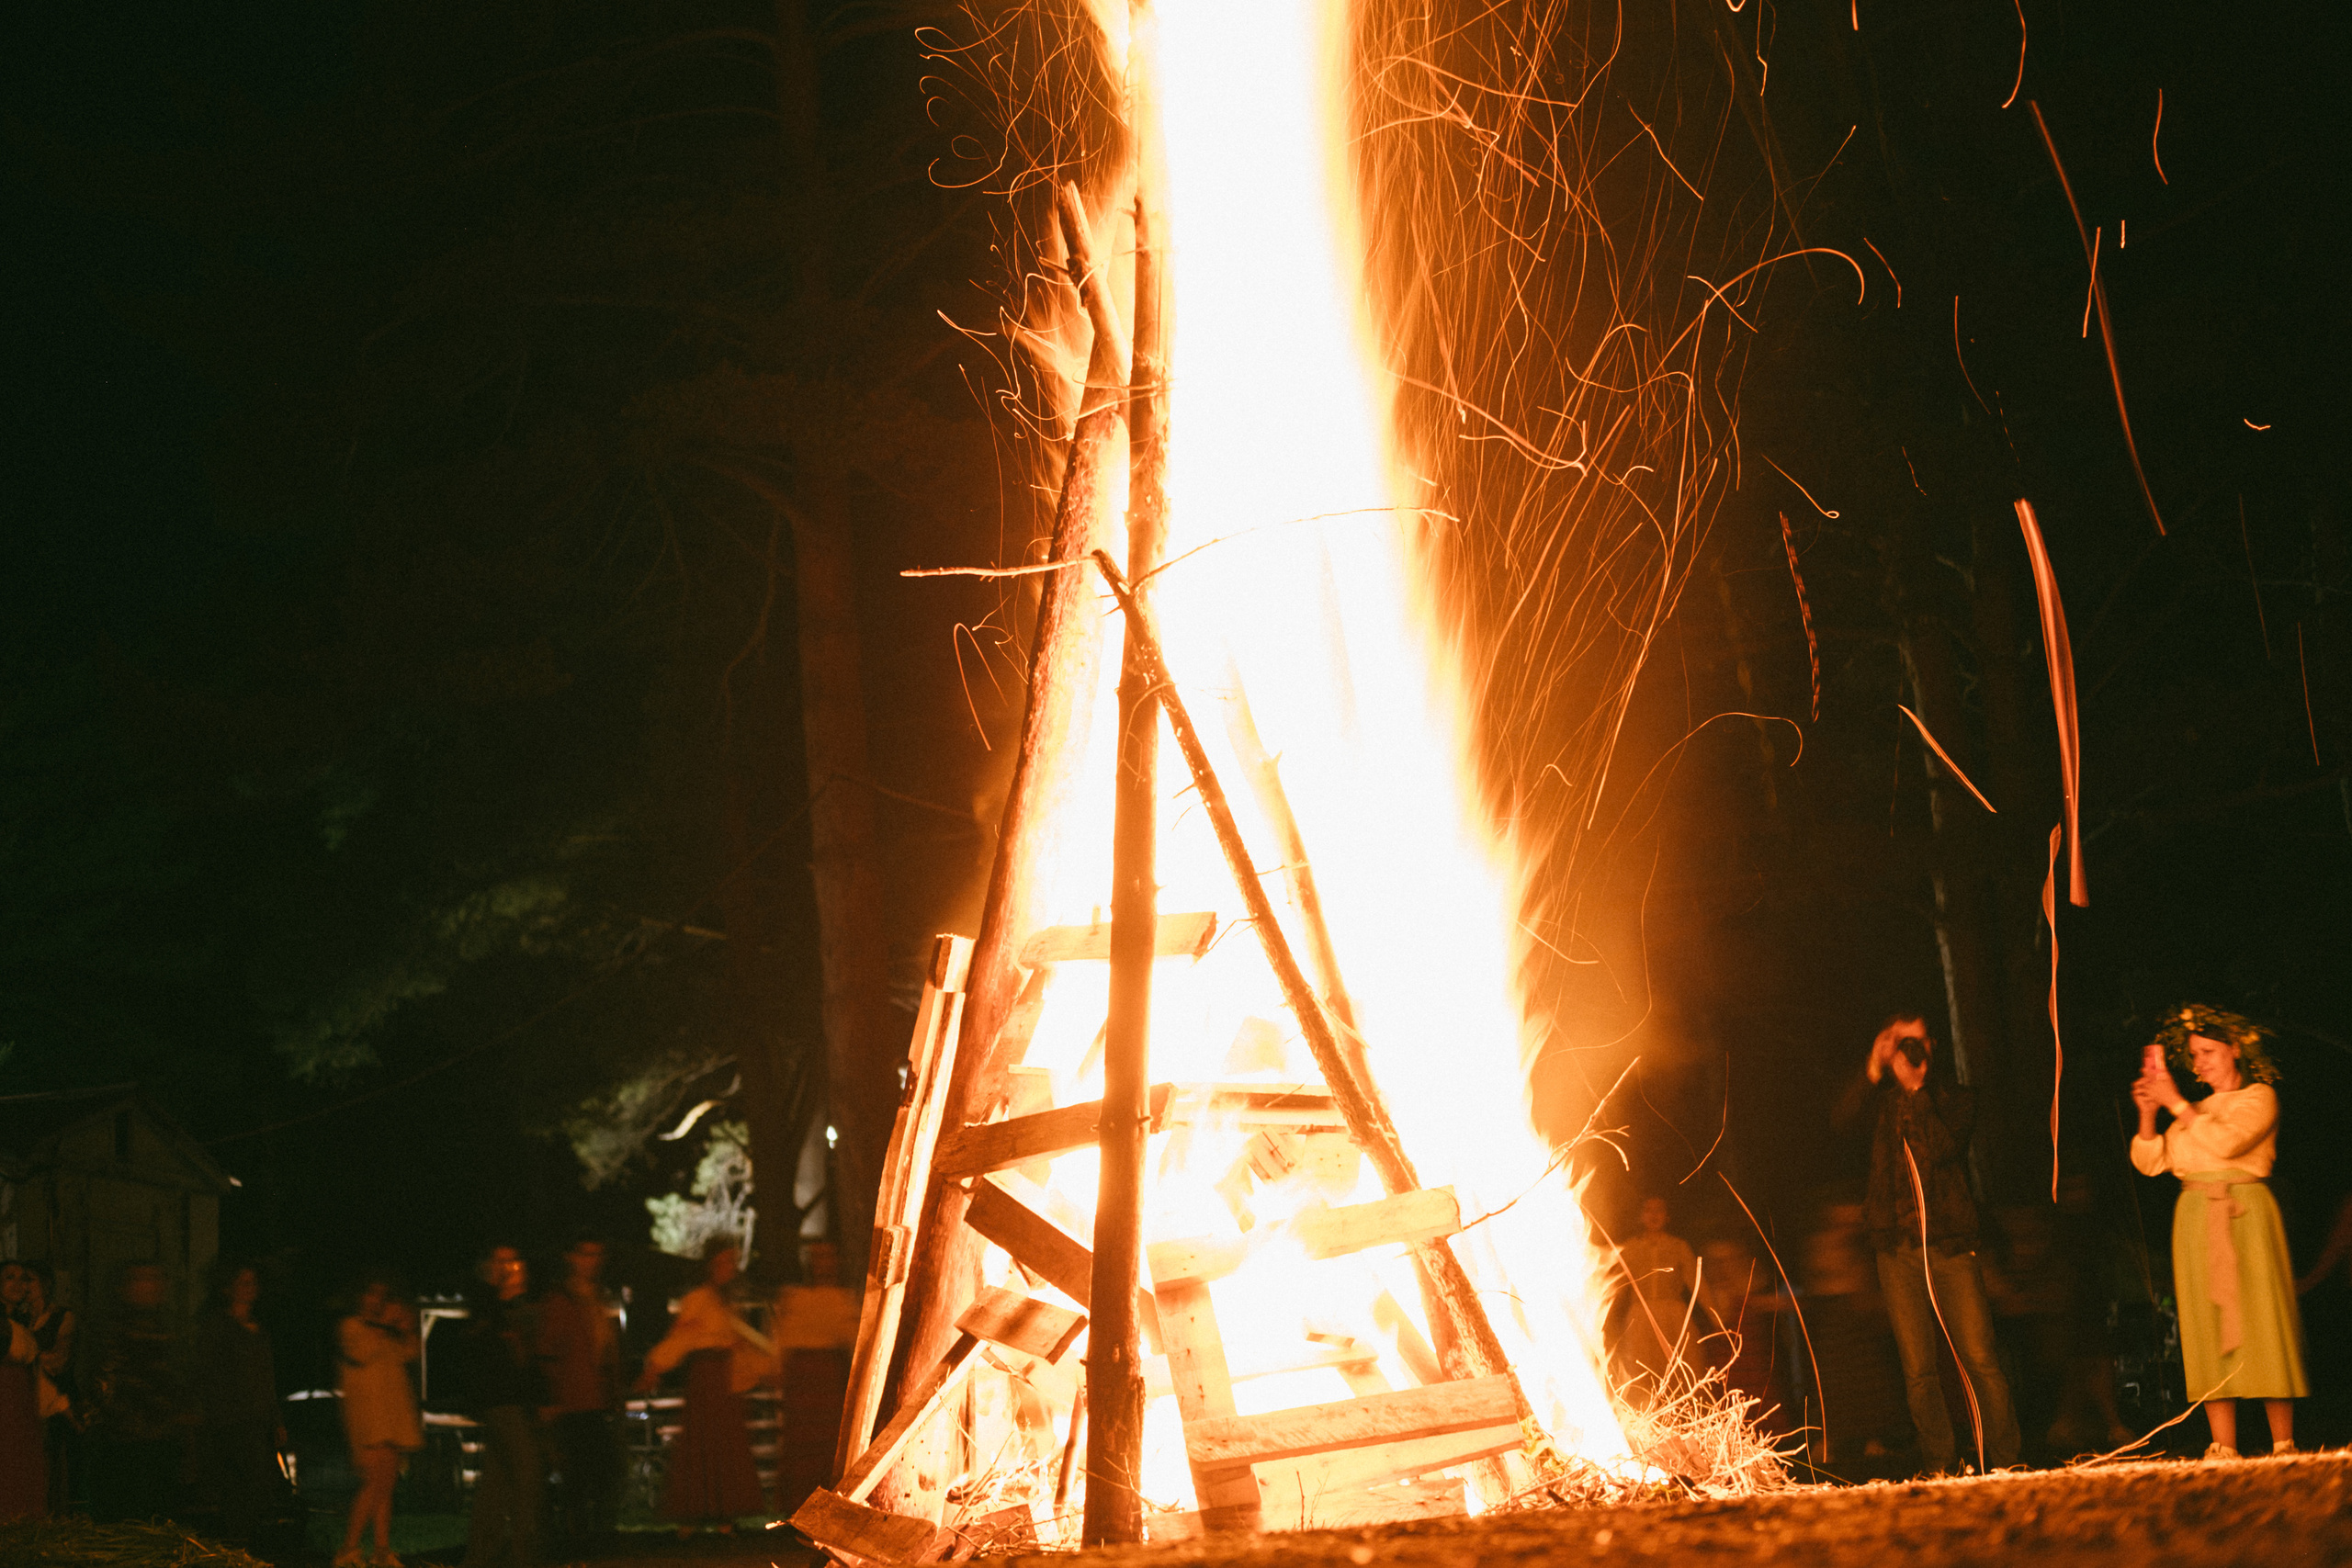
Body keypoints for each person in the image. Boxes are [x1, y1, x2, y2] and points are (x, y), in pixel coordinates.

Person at [1835, 1011, 2019, 1472]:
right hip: (1896, 1250)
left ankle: (2007, 1460)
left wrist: (1916, 1090)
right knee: (1918, 1369)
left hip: (1950, 1245)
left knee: (1980, 1357)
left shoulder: (1954, 1098)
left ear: (1932, 1046)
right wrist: (1874, 1068)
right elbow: (1841, 1123)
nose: (1909, 1053)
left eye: (1916, 1043)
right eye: (1901, 1044)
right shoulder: (1879, 1103)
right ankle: (1940, 1462)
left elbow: (1942, 1149)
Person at [2129, 1004, 2309, 1459]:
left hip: (2244, 1211)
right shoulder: (2196, 1108)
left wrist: (2176, 1105)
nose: (2199, 1062)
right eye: (2194, 1054)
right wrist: (2150, 1114)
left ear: (2235, 1051)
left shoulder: (2259, 1098)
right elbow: (2152, 1163)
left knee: (2262, 1315)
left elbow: (2229, 1141)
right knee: (2205, 1322)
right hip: (2194, 1215)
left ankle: (2283, 1440)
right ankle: (2222, 1443)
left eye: (2208, 1051)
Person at [636, 1241, 766, 1532]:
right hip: (706, 1378)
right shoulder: (698, 1299)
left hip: (724, 1377)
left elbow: (739, 1343)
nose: (728, 1269)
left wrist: (761, 1369)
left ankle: (724, 1514)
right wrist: (656, 1366)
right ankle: (693, 1515)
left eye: (732, 1263)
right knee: (701, 1442)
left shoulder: (727, 1303)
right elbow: (681, 1339)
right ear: (710, 1265)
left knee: (724, 1443)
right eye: (723, 1262)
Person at [87, 1262, 195, 1521]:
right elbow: (104, 1385)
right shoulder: (110, 1328)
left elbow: (182, 1378)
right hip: (123, 1443)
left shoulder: (172, 1327)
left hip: (163, 1440)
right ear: (124, 1287)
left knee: (159, 1513)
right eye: (142, 1279)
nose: (151, 1286)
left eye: (156, 1278)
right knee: (126, 1515)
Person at [460, 1244, 546, 1568]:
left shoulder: (521, 1306)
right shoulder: (486, 1304)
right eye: (500, 1261)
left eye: (513, 1261)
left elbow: (531, 1358)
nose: (508, 1268)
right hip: (499, 1400)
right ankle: (523, 1554)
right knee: (528, 1471)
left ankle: (480, 1555)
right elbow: (489, 1351)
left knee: (496, 1479)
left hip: (516, 1400)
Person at [191, 1262, 286, 1549]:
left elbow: (266, 1379)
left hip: (256, 1418)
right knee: (239, 1484)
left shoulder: (259, 1331)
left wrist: (276, 1420)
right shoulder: (218, 1327)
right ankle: (235, 1543)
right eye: (243, 1282)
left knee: (259, 1484)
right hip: (230, 1418)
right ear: (227, 1288)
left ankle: (247, 1543)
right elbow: (209, 1374)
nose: (249, 1288)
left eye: (252, 1282)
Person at [537, 1235, 623, 1554]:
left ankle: (590, 1537)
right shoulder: (561, 1299)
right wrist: (551, 1398)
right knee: (578, 1473)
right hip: (573, 1400)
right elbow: (549, 1350)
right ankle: (576, 1540)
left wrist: (614, 1391)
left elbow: (605, 1349)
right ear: (571, 1258)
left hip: (596, 1398)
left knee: (601, 1470)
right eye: (585, 1254)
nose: (592, 1261)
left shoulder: (596, 1298)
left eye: (596, 1254)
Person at [336, 1275, 423, 1568]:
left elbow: (410, 1353)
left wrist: (405, 1327)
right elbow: (360, 1354)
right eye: (372, 1292)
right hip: (369, 1418)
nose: (377, 1300)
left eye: (383, 1295)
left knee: (385, 1485)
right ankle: (348, 1548)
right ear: (360, 1296)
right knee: (372, 1485)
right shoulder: (352, 1327)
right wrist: (385, 1325)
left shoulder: (386, 1333)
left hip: (391, 1417)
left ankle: (381, 1550)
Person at [768, 1240, 857, 1514]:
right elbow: (782, 1338)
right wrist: (777, 1367)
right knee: (801, 1440)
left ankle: (830, 1506)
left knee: (828, 1441)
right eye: (817, 1258)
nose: (823, 1264)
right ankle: (798, 1506)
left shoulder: (844, 1299)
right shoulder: (795, 1298)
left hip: (829, 1375)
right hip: (802, 1377)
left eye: (828, 1257)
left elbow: (852, 1338)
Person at [6, 1261, 80, 1515]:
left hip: (53, 1393)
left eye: (29, 1280)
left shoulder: (62, 1316)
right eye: (14, 1279)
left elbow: (58, 1360)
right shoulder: (17, 1319)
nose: (23, 1286)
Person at [1611, 1196, 1699, 1403]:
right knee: (1642, 1371)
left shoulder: (1678, 1246)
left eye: (1659, 1210)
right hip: (1640, 1317)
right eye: (1648, 1210)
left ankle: (1682, 1420)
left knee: (1679, 1372)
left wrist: (1716, 1315)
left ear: (1667, 1216)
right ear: (1641, 1216)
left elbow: (1696, 1281)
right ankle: (1648, 1423)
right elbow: (1616, 1286)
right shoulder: (1630, 1248)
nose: (1653, 1215)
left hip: (1673, 1316)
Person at [0, 1273, 44, 1520]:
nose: (18, 1284)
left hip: (19, 1403)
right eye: (9, 1278)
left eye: (24, 1278)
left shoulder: (21, 1320)